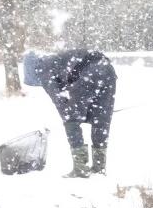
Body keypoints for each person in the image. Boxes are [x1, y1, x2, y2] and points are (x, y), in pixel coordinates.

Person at [23, 49, 116, 177]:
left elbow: (61, 102)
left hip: (88, 72)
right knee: (101, 119)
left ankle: (80, 168)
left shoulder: (43, 70)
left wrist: (70, 120)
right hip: (107, 69)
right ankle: (99, 167)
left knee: (71, 119)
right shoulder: (55, 60)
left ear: (31, 71)